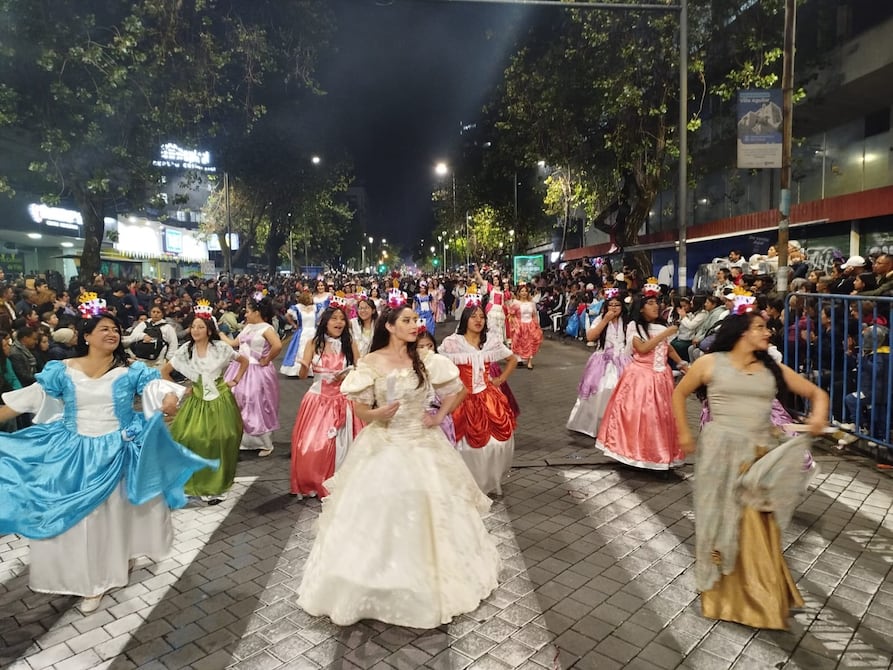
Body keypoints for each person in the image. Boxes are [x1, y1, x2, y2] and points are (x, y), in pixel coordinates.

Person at [0, 305, 216, 613]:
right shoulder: (63, 369)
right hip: (74, 453)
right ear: (86, 336)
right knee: (83, 521)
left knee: (115, 515)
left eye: (115, 329)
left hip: (118, 450)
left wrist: (169, 399)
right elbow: (28, 399)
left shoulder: (130, 371)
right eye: (104, 329)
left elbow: (157, 389)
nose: (112, 333)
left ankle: (108, 571)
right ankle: (90, 578)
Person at [297, 304, 499, 628]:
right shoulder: (371, 362)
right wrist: (378, 415)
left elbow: (456, 390)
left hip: (423, 444)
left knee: (430, 513)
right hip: (383, 445)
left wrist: (437, 416)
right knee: (376, 516)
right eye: (406, 320)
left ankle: (430, 580)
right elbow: (360, 408)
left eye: (415, 320)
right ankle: (374, 580)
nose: (414, 325)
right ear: (389, 326)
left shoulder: (425, 359)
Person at [671, 301, 829, 630]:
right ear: (742, 333)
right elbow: (679, 393)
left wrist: (817, 416)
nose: (767, 332)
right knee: (720, 524)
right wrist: (684, 433)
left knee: (758, 528)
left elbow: (816, 393)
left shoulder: (771, 367)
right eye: (760, 327)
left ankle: (761, 598)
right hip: (720, 455)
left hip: (759, 458)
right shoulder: (711, 363)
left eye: (767, 327)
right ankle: (723, 596)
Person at [595, 279, 689, 470]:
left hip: (662, 379)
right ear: (641, 308)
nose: (656, 306)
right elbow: (643, 348)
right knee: (643, 419)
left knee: (663, 419)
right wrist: (666, 333)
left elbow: (667, 349)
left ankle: (661, 456)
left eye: (657, 302)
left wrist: (682, 363)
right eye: (651, 303)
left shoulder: (662, 327)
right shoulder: (634, 327)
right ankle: (638, 455)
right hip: (641, 379)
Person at [163, 301, 249, 505]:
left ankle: (216, 484)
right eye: (193, 326)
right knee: (187, 436)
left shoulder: (221, 348)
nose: (195, 330)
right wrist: (183, 389)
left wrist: (234, 380)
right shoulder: (186, 350)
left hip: (220, 400)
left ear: (209, 330)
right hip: (197, 401)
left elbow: (243, 361)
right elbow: (164, 372)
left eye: (200, 326)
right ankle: (191, 481)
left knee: (222, 438)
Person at [441, 296, 518, 495]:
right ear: (465, 319)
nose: (478, 320)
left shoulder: (490, 342)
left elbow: (512, 359)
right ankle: (464, 482)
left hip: (487, 396)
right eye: (473, 316)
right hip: (461, 398)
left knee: (497, 441)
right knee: (460, 443)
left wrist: (499, 380)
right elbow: (438, 365)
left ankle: (488, 481)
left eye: (482, 317)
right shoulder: (452, 343)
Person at [290, 300, 362, 499]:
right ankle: (313, 480)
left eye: (342, 319)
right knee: (311, 444)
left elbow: (362, 370)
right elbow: (304, 375)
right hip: (318, 401)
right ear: (325, 321)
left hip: (344, 400)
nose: (339, 322)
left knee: (345, 444)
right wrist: (304, 365)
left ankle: (341, 481)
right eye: (334, 318)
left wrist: (349, 375)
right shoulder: (314, 343)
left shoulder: (350, 343)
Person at [222, 295, 282, 457]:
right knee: (238, 400)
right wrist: (215, 330)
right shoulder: (248, 327)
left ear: (257, 312)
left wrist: (267, 359)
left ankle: (264, 443)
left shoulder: (266, 328)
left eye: (248, 311)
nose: (245, 315)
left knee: (256, 403)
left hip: (258, 371)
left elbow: (277, 345)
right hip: (240, 369)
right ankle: (243, 440)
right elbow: (234, 344)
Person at [567, 289, 631, 437]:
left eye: (617, 305)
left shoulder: (627, 322)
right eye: (611, 305)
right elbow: (590, 336)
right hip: (603, 361)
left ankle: (617, 426)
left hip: (623, 360)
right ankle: (595, 424)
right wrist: (605, 320)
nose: (614, 308)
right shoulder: (600, 319)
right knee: (601, 389)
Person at [122, 305, 179, 371]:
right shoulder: (143, 324)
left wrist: (168, 359)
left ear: (162, 314)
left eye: (158, 312)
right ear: (150, 313)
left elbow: (173, 344)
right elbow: (133, 336)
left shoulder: (167, 327)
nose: (155, 314)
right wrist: (143, 336)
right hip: (141, 359)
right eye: (153, 312)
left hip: (158, 361)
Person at [279, 291, 317, 377]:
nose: (312, 298)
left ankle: (312, 369)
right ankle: (298, 369)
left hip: (313, 331)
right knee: (300, 350)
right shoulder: (297, 308)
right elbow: (287, 315)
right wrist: (294, 325)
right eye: (310, 296)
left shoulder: (315, 307)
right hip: (302, 332)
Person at [510, 284, 544, 369]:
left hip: (530, 325)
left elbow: (534, 315)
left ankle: (529, 362)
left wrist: (537, 325)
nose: (524, 293)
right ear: (519, 293)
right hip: (520, 325)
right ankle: (518, 359)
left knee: (530, 343)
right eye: (522, 291)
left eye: (525, 291)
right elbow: (511, 314)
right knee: (518, 342)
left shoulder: (531, 303)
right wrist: (515, 323)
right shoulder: (516, 303)